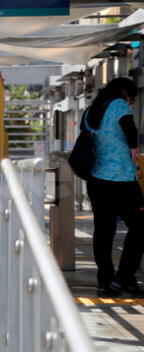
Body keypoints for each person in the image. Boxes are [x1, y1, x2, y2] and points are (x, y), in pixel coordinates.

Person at [84, 77, 144, 297]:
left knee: (104, 232)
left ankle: (105, 282)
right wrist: (134, 151)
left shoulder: (93, 109)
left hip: (97, 180)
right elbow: (129, 128)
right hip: (121, 180)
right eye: (131, 99)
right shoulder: (118, 104)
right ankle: (125, 278)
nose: (130, 103)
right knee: (140, 226)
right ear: (123, 92)